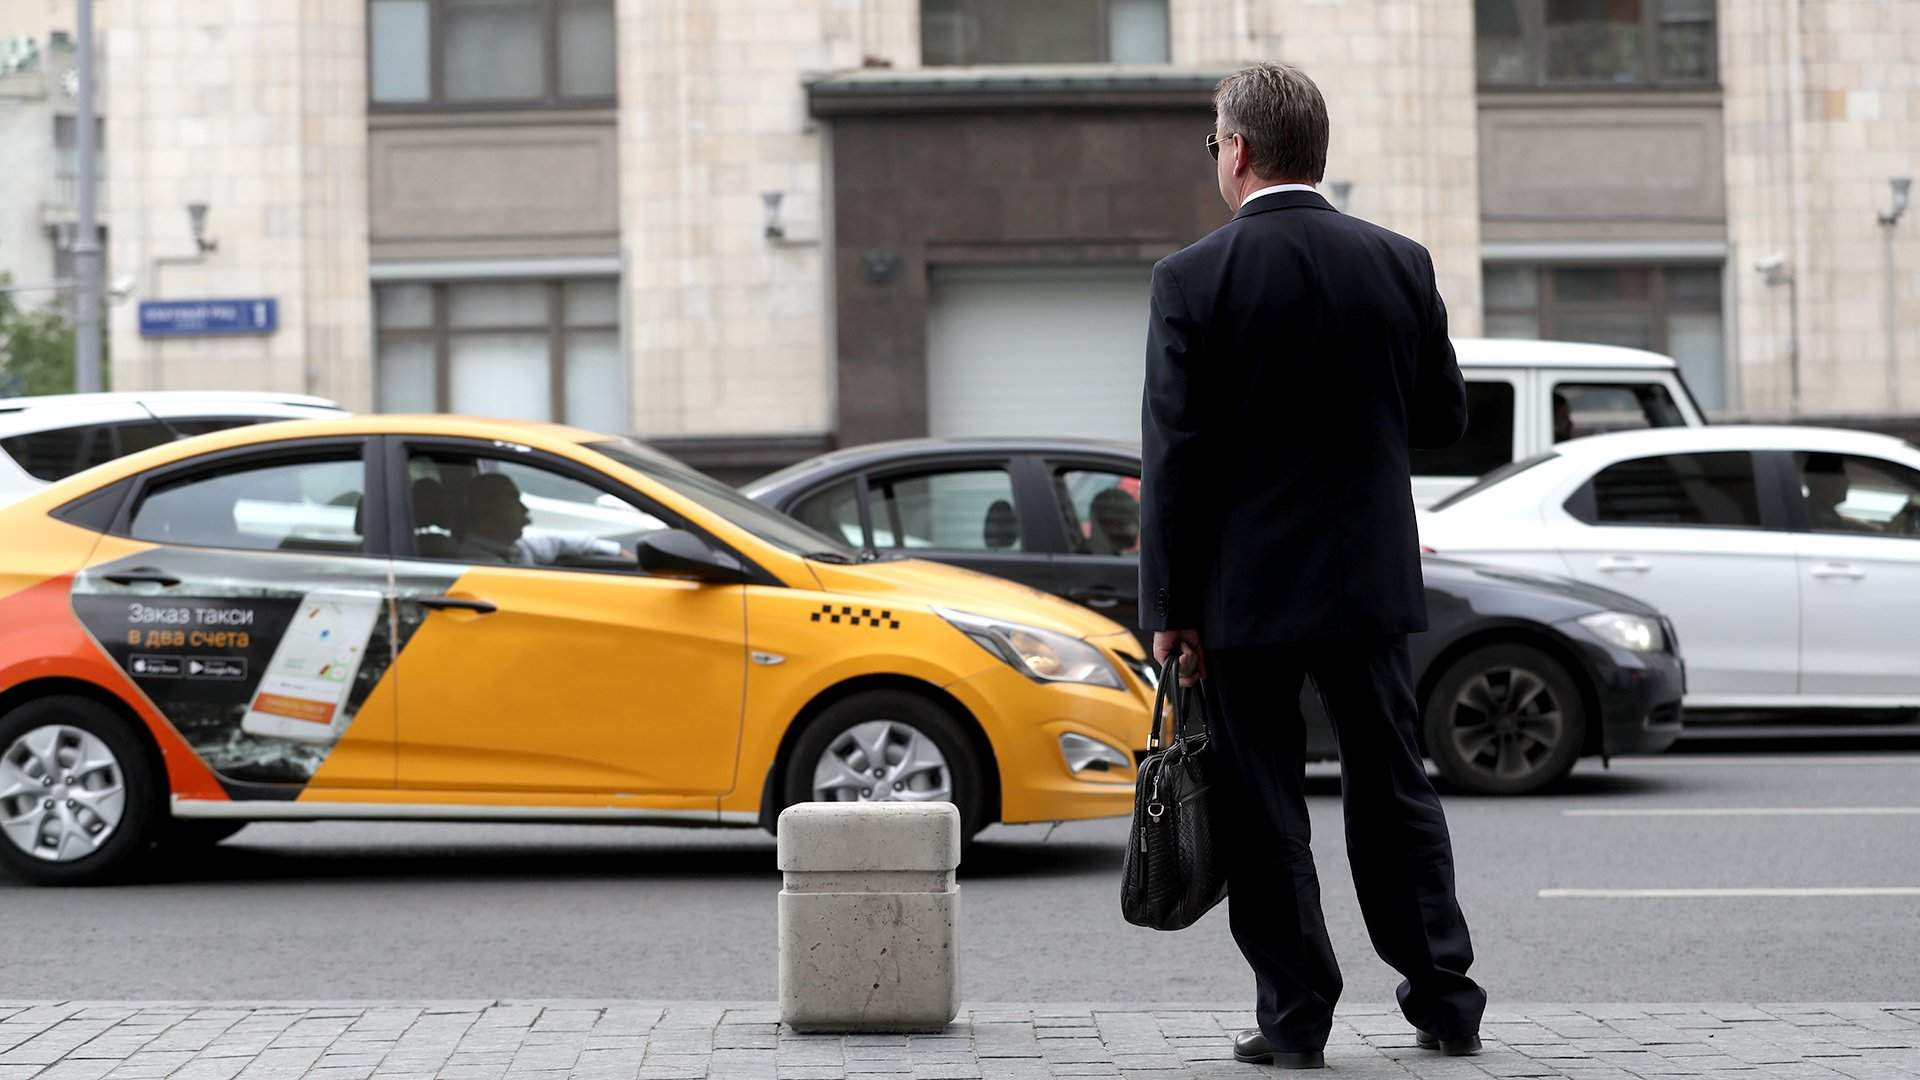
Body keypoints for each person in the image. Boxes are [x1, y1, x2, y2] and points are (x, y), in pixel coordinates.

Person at [1138, 62, 1486, 1070]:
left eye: (1215, 142)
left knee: (1263, 809)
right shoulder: (1399, 262)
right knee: (1394, 793)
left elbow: (1176, 455)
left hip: (1240, 596)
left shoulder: (1193, 279)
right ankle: (1445, 998)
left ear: (1238, 151)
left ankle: (1297, 1020)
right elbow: (1444, 420)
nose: (1217, 157)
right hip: (1366, 583)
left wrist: (1169, 605)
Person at [458, 472, 632, 567]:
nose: (524, 510)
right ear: (488, 512)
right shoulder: (482, 565)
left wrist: (617, 551)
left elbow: (558, 541)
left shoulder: (515, 548)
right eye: (512, 500)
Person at [1801, 453, 1854, 533]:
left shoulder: (1808, 509)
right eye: (1842, 476)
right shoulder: (1815, 517)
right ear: (1824, 482)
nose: (1847, 482)